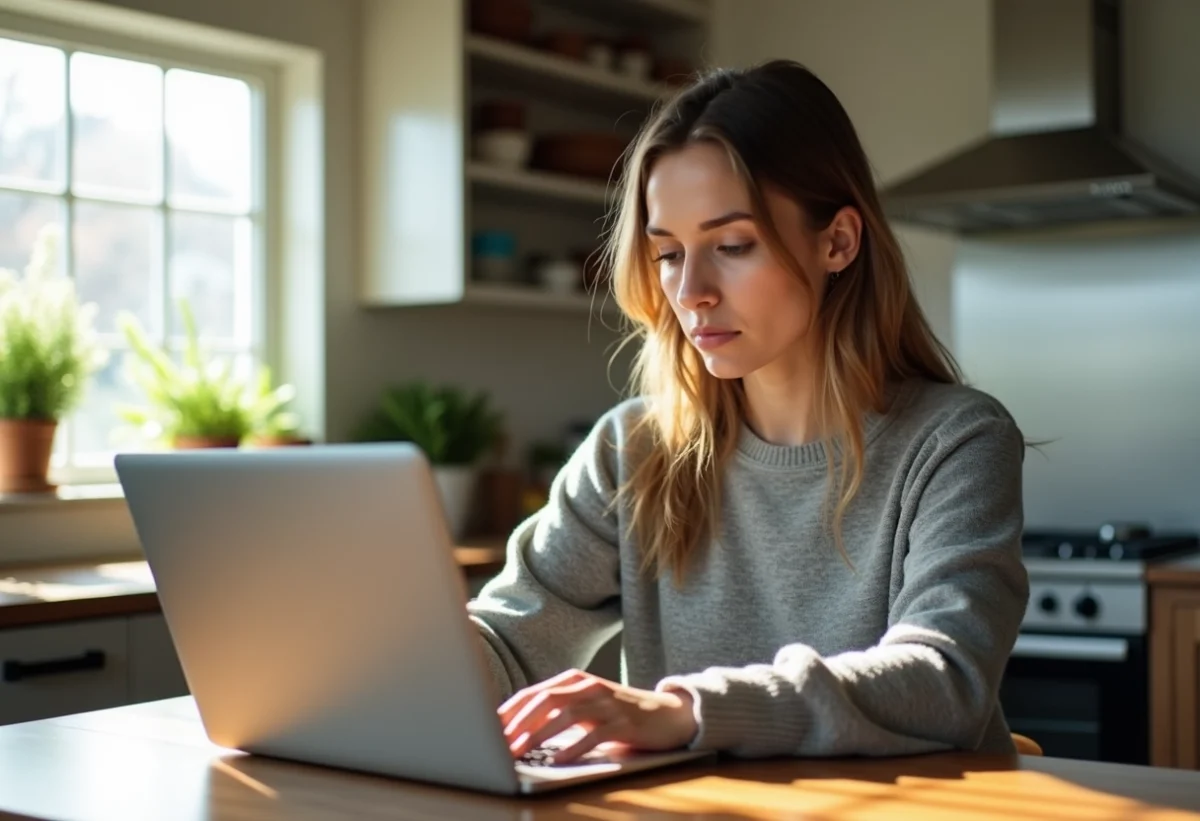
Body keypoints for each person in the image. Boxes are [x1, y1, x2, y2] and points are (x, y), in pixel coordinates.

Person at [467, 60, 1029, 765]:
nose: (691, 290)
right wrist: (381, 658)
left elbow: (943, 679)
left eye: (733, 245)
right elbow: (510, 641)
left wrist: (685, 710)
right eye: (668, 252)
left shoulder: (955, 441)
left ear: (838, 242)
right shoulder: (633, 447)